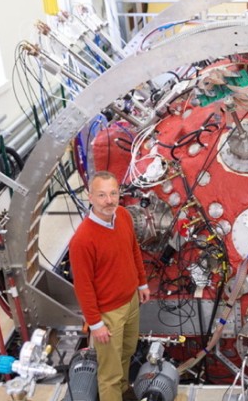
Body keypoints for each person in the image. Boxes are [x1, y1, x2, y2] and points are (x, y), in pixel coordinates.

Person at [69, 171, 150, 401]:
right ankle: (114, 393)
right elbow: (83, 287)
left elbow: (133, 249)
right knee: (109, 373)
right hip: (108, 314)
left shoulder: (123, 215)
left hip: (131, 302)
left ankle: (124, 392)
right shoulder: (82, 240)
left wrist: (142, 283)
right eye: (102, 195)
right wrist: (95, 324)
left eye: (113, 193)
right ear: (90, 197)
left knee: (127, 353)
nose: (109, 200)